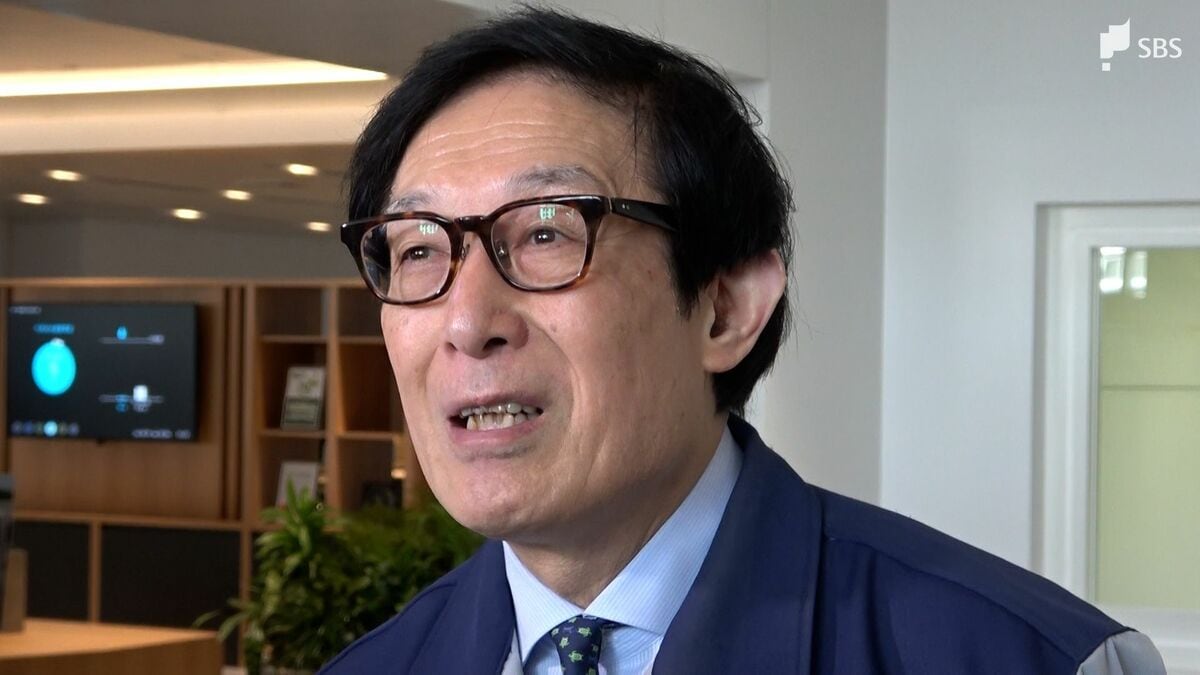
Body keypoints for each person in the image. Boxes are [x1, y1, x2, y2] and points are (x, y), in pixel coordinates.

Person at [323, 8, 1164, 674]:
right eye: (418, 248)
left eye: (547, 232)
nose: (467, 321)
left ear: (726, 309)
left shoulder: (1027, 656)